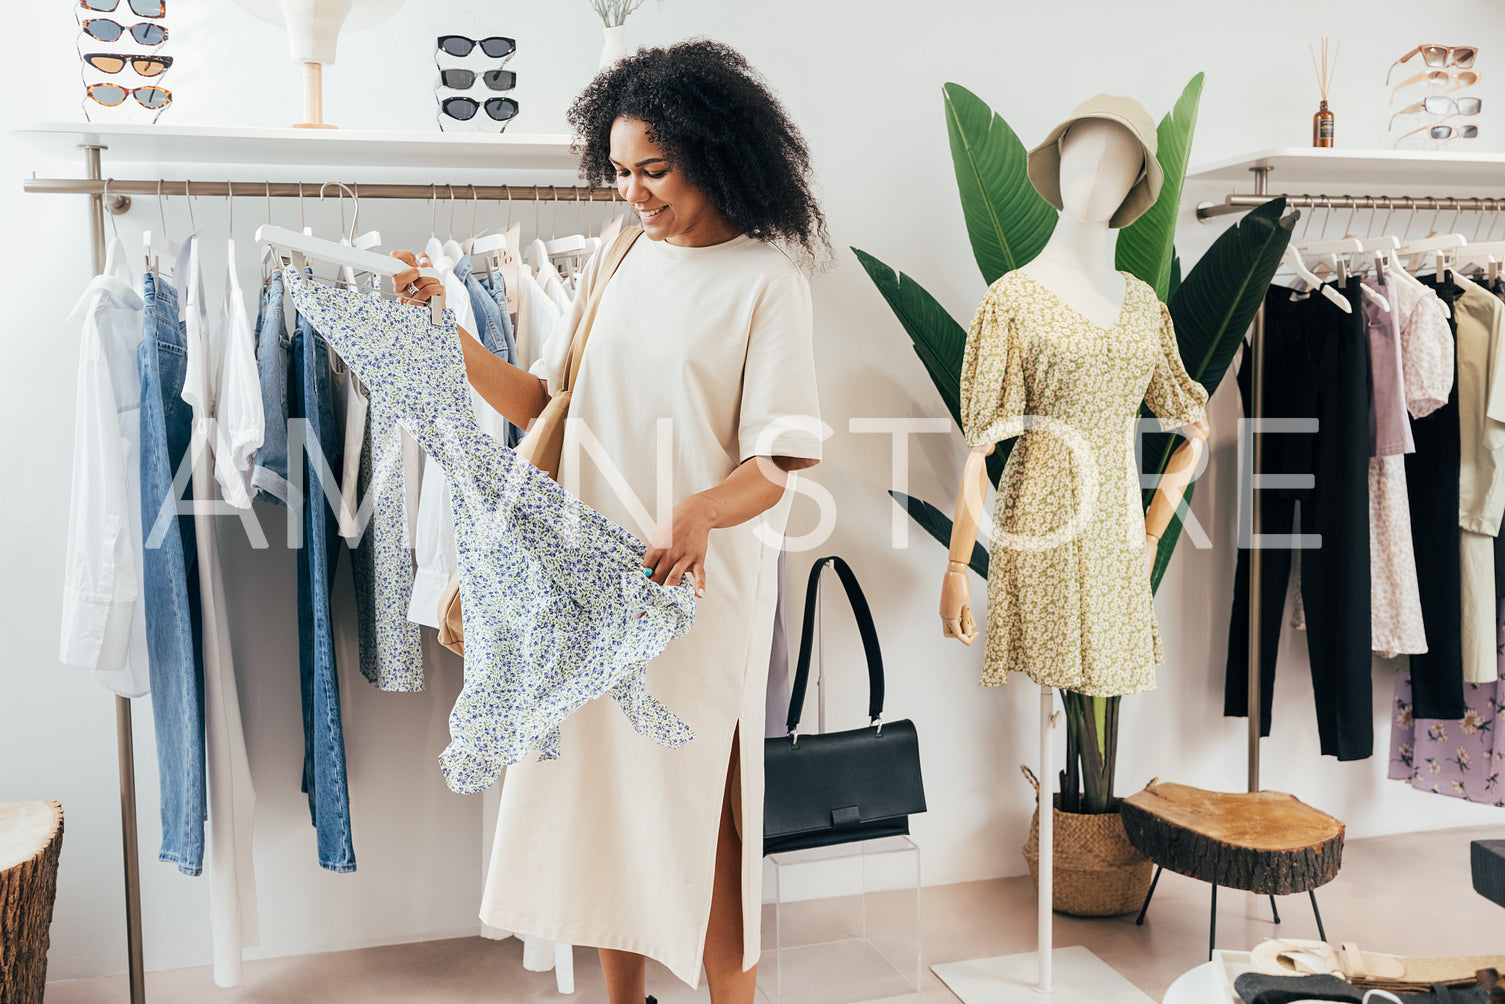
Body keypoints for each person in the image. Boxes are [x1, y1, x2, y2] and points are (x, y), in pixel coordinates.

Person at [394, 38, 829, 1004]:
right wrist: (448, 335)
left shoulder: (768, 283)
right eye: (620, 170)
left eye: (654, 171)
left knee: (701, 811)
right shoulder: (618, 257)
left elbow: (780, 462)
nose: (632, 193)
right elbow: (539, 401)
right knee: (605, 809)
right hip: (587, 578)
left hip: (690, 589)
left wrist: (701, 511)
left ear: (716, 154)